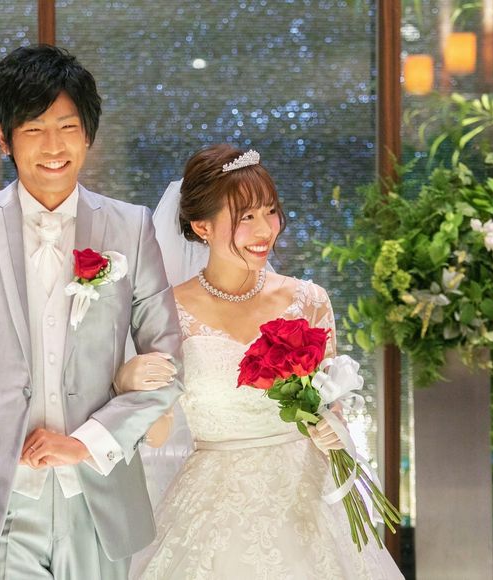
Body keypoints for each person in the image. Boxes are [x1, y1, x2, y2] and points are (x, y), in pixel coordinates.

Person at [0, 45, 183, 580]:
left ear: (88, 134)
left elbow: (168, 364)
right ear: (3, 137)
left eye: (68, 127)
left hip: (99, 502)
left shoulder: (130, 228)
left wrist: (86, 442)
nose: (53, 147)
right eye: (34, 129)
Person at [125, 144, 404, 578]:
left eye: (270, 211)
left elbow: (331, 409)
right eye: (246, 217)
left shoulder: (309, 300)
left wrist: (332, 430)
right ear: (201, 226)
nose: (264, 230)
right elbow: (158, 434)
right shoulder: (167, 311)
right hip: (213, 503)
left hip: (307, 499)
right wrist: (129, 382)